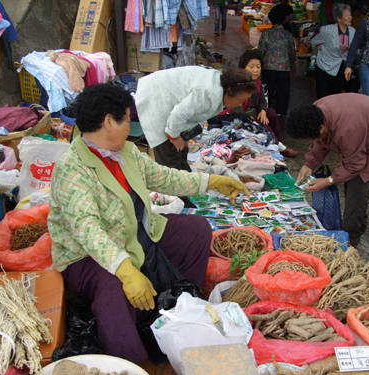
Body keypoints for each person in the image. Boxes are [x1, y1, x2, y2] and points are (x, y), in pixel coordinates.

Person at [48, 84, 250, 365]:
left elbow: (164, 177)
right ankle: (132, 361)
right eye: (125, 119)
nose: (130, 127)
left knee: (195, 230)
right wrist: (126, 271)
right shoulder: (72, 168)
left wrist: (211, 181)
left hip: (133, 233)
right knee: (114, 289)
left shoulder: (125, 151)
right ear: (108, 122)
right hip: (88, 256)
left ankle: (179, 302)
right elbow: (87, 230)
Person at [287, 93, 369, 247]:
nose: (313, 141)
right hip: (362, 127)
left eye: (311, 139)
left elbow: (355, 165)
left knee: (357, 187)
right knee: (351, 180)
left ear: (322, 127)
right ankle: (360, 224)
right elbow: (320, 141)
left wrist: (328, 181)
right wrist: (308, 164)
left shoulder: (348, 129)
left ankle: (351, 239)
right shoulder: (316, 112)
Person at [135, 66, 256, 171]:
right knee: (169, 161)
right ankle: (174, 196)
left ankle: (185, 191)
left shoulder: (219, 87)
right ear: (229, 91)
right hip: (156, 98)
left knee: (180, 153)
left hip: (170, 103)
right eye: (240, 100)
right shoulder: (209, 94)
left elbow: (189, 112)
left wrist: (182, 134)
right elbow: (178, 114)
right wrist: (174, 136)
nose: (240, 104)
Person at [237, 49, 297, 157]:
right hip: (242, 116)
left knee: (271, 114)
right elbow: (236, 107)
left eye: (258, 67)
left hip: (255, 112)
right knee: (261, 122)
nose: (255, 70)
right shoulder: (238, 84)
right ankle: (277, 145)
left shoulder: (258, 83)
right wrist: (250, 118)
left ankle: (278, 142)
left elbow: (262, 101)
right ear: (243, 68)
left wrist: (263, 111)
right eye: (251, 67)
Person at [311, 4, 356, 99]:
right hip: (324, 67)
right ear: (339, 18)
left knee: (335, 98)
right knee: (323, 98)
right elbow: (314, 42)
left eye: (350, 15)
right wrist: (319, 48)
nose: (350, 18)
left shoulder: (352, 31)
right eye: (347, 15)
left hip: (339, 68)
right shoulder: (327, 30)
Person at [258, 5, 296, 118]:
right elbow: (292, 52)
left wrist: (260, 65)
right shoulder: (288, 35)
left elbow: (261, 51)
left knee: (267, 90)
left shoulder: (266, 33)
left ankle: (266, 110)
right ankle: (281, 112)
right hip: (284, 68)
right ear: (283, 19)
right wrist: (291, 64)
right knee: (283, 91)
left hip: (268, 67)